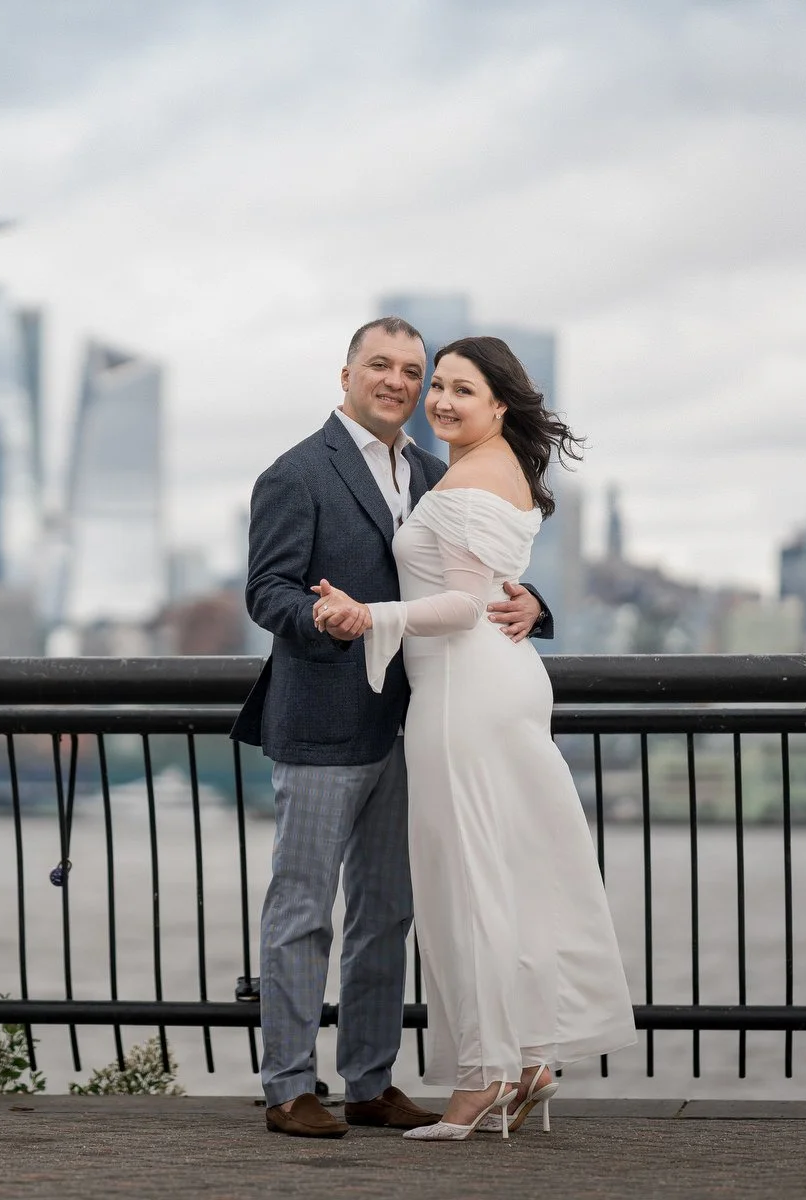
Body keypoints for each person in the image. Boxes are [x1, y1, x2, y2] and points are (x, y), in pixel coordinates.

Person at [231, 318, 552, 1139]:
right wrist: (325, 618)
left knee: (387, 914)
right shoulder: (295, 473)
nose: (400, 382)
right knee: (303, 909)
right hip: (324, 723)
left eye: (414, 370)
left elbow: (473, 577)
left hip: (421, 721)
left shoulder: (440, 472)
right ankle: (289, 1088)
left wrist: (535, 603)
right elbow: (267, 591)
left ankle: (369, 1083)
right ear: (345, 375)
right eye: (381, 365)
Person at [312, 335, 637, 1141]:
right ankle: (526, 1063)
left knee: (466, 888)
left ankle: (480, 1078)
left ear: (499, 404)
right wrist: (530, 600)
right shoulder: (491, 466)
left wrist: (367, 614)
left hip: (464, 691)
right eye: (440, 385)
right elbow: (488, 584)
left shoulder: (467, 476)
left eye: (463, 389)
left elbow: (461, 606)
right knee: (505, 877)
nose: (441, 401)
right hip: (495, 682)